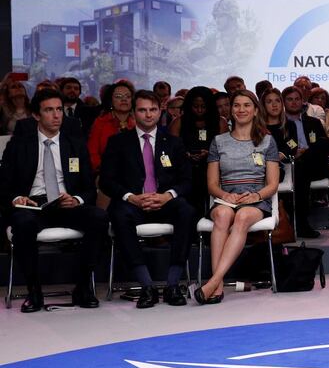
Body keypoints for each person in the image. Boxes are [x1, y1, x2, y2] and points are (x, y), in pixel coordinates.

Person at [0, 89, 107, 313]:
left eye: (59, 109)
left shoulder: (75, 144)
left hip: (65, 203)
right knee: (23, 223)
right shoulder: (19, 145)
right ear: (36, 116)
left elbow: (89, 188)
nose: (57, 115)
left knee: (98, 217)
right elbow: (3, 185)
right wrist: (16, 197)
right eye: (49, 110)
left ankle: (83, 286)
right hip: (32, 205)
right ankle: (34, 290)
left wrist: (77, 199)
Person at [100, 90, 195, 309]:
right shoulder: (118, 142)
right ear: (133, 113)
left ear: (160, 112)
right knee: (118, 214)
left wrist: (166, 196)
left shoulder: (173, 142)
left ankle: (173, 285)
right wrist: (131, 197)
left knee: (187, 212)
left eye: (153, 109)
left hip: (164, 201)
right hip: (133, 203)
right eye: (142, 110)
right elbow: (107, 181)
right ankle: (146, 286)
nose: (148, 115)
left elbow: (186, 180)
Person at [194, 90, 280, 304]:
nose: (241, 110)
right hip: (225, 198)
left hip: (256, 199)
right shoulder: (219, 141)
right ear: (231, 111)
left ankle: (214, 282)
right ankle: (218, 283)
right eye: (236, 106)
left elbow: (273, 184)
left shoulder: (267, 142)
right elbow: (212, 184)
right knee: (222, 215)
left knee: (241, 218)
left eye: (246, 105)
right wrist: (225, 195)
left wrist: (256, 196)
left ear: (255, 111)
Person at [281, 85, 329, 238]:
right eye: (290, 99)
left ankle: (299, 223)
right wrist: (295, 153)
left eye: (297, 99)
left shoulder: (314, 122)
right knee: (300, 171)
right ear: (284, 102)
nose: (294, 102)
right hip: (290, 166)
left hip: (313, 165)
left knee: (304, 165)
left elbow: (325, 145)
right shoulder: (281, 125)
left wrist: (306, 151)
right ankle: (301, 223)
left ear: (303, 101)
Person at [169, 86, 229, 216]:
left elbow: (226, 150)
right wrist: (186, 155)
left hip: (212, 169)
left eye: (203, 106)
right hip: (185, 169)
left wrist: (210, 155)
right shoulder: (178, 122)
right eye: (196, 106)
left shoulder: (220, 122)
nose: (200, 110)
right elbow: (171, 149)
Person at [87, 81, 136, 172]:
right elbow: (92, 153)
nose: (124, 99)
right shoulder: (100, 122)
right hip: (105, 173)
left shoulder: (138, 123)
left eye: (127, 96)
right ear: (111, 101)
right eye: (118, 96)